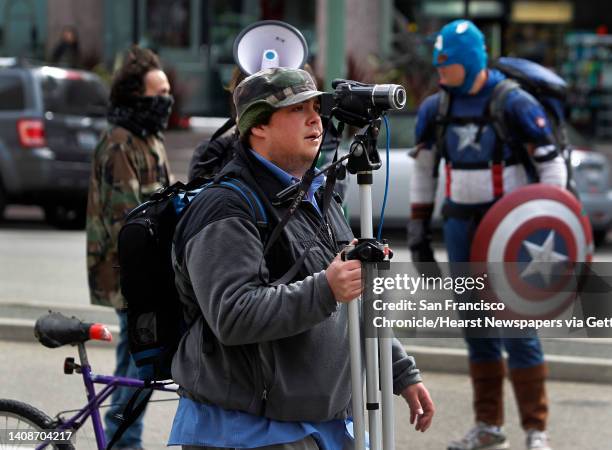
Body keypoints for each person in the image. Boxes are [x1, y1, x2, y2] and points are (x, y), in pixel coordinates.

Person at [169, 67, 435, 450]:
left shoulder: (315, 195)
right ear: (257, 127)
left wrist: (400, 371)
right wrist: (326, 288)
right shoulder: (225, 207)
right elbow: (233, 315)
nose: (315, 119)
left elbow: (353, 297)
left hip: (322, 426)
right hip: (248, 433)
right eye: (297, 110)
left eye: (316, 107)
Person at [408, 20, 567, 450]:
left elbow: (552, 165)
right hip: (460, 226)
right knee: (476, 328)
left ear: (471, 61)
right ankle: (489, 425)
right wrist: (419, 231)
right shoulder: (435, 108)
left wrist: (549, 224)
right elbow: (425, 171)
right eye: (439, 65)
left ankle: (536, 429)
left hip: (512, 232)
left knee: (517, 328)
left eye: (450, 65)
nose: (442, 73)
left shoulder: (512, 103)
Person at [86, 46, 173, 450]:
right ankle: (123, 441)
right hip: (130, 273)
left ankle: (123, 437)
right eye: (158, 94)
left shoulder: (149, 137)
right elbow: (130, 222)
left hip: (148, 271)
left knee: (140, 362)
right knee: (135, 364)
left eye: (168, 92)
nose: (165, 101)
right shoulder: (121, 143)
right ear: (136, 98)